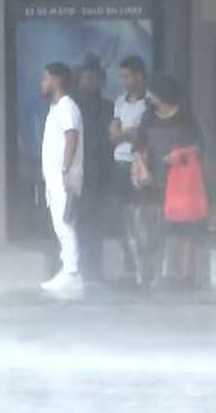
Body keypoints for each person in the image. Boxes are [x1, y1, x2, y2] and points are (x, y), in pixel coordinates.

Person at [132, 74, 205, 289]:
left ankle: (186, 277)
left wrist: (178, 155)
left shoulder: (186, 117)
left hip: (180, 182)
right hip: (152, 180)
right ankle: (157, 275)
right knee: (155, 228)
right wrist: (142, 169)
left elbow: (198, 147)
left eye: (152, 92)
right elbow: (138, 147)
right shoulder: (148, 117)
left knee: (185, 229)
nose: (149, 96)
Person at [39, 62, 85, 297]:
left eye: (45, 78)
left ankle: (72, 273)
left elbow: (71, 136)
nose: (43, 83)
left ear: (56, 80)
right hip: (56, 178)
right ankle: (68, 270)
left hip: (64, 178)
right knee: (61, 224)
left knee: (65, 224)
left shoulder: (67, 106)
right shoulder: (57, 108)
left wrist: (66, 170)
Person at [109, 56, 149, 286]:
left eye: (127, 77)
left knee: (140, 216)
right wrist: (127, 133)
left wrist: (126, 134)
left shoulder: (148, 103)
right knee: (121, 215)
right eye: (121, 77)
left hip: (138, 163)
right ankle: (128, 264)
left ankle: (144, 266)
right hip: (119, 163)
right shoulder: (120, 102)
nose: (124, 82)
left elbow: (141, 134)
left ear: (139, 76)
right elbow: (113, 134)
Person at [74, 54, 114, 284]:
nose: (90, 83)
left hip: (102, 174)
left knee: (96, 225)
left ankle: (94, 270)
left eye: (94, 78)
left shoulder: (109, 107)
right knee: (78, 224)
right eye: (86, 78)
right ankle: (80, 269)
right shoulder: (72, 108)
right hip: (79, 173)